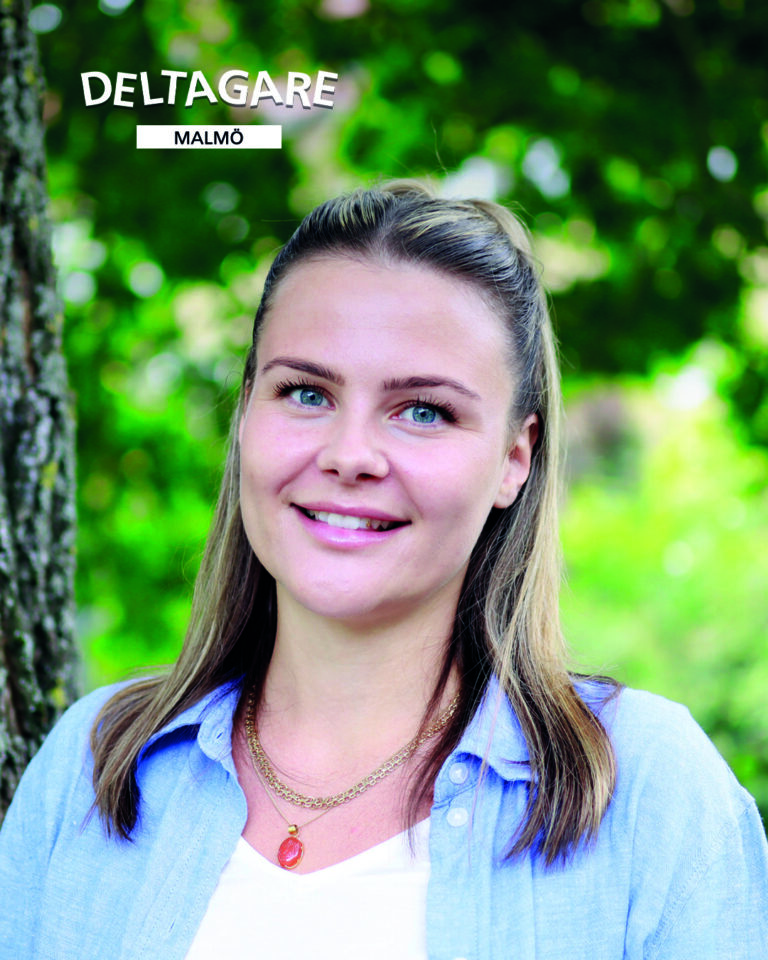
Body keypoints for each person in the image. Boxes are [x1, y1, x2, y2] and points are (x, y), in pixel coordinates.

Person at [0, 181, 766, 960]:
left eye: (424, 410)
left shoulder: (649, 795)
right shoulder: (91, 768)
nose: (349, 455)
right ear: (247, 414)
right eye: (306, 392)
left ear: (514, 458)